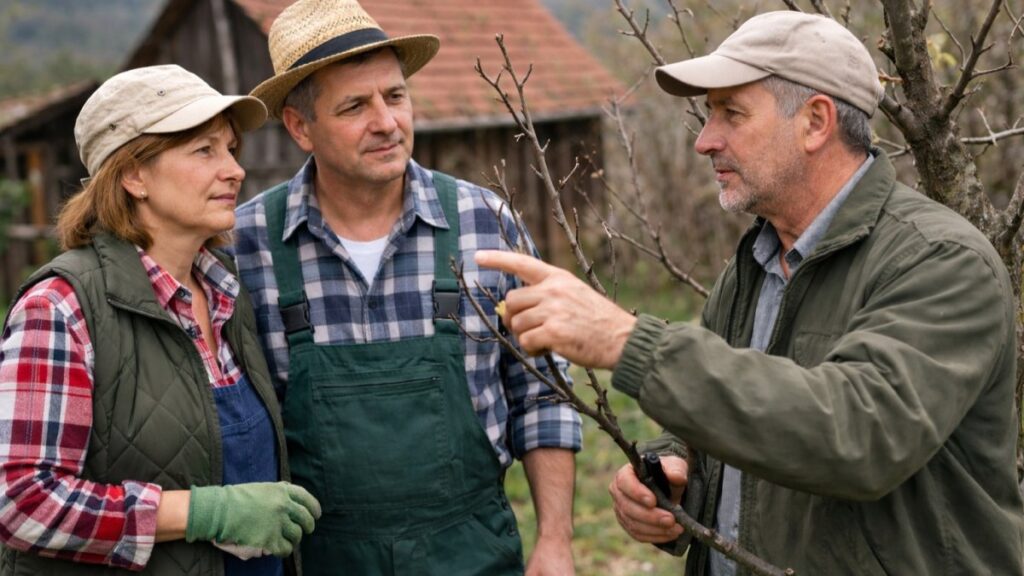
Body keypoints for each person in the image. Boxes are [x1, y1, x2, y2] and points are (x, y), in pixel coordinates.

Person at [475, 10, 1024, 576]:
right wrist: (674, 468)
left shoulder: (940, 260)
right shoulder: (757, 263)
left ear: (815, 122)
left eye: (731, 113)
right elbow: (741, 415)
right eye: (710, 114)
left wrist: (629, 342)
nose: (705, 141)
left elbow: (861, 435)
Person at [232, 1, 581, 575]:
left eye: (395, 96)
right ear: (300, 127)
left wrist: (556, 542)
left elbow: (541, 393)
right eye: (354, 106)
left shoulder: (483, 221)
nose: (387, 122)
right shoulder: (247, 246)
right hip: (317, 560)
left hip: (471, 557)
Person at [0, 65, 322, 576]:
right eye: (204, 151)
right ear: (134, 175)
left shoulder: (226, 295)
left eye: (231, 150)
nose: (235, 170)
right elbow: (21, 502)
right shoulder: (61, 308)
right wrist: (200, 513)